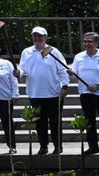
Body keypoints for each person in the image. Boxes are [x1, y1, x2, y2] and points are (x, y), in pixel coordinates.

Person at [18, 26, 69, 155]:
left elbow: (63, 70)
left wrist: (65, 86)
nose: (37, 38)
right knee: (40, 123)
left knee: (55, 122)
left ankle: (58, 146)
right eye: (35, 36)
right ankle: (43, 146)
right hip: (35, 93)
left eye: (40, 36)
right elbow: (23, 69)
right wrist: (18, 73)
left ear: (45, 37)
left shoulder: (53, 52)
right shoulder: (26, 52)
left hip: (53, 93)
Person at [71, 32, 99, 155]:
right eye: (85, 41)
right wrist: (71, 73)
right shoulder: (79, 57)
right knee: (89, 121)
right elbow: (74, 74)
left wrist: (98, 85)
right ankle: (93, 146)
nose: (87, 44)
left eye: (89, 41)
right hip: (85, 93)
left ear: (97, 43)